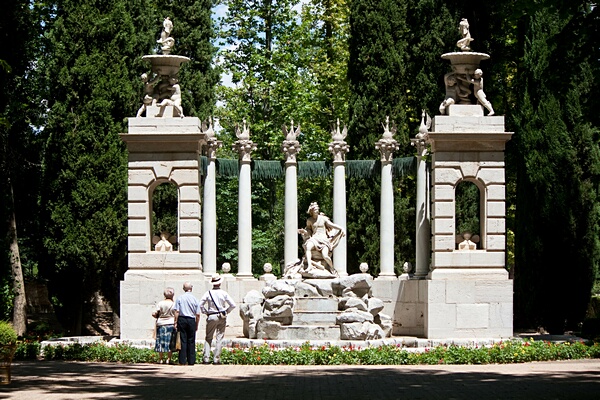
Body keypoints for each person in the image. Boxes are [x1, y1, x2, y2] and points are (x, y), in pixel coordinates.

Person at [298, 202, 345, 275]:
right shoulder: (309, 220)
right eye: (315, 209)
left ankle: (332, 267)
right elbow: (309, 231)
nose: (317, 210)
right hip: (315, 238)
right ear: (312, 211)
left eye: (317, 209)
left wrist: (341, 228)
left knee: (325, 255)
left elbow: (331, 225)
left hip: (323, 240)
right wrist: (304, 231)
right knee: (308, 247)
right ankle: (310, 265)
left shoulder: (323, 218)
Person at [199, 274, 236, 365]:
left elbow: (200, 305)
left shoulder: (208, 293)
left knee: (208, 337)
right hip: (222, 316)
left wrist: (205, 312)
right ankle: (216, 359)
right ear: (220, 283)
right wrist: (226, 311)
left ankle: (206, 358)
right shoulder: (224, 293)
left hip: (212, 315)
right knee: (219, 338)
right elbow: (233, 305)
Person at [173, 282, 201, 365]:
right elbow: (198, 314)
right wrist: (196, 324)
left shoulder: (180, 298)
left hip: (182, 319)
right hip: (191, 319)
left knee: (183, 340)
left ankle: (182, 360)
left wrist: (175, 321)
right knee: (191, 340)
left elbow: (177, 311)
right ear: (191, 288)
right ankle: (191, 360)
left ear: (183, 288)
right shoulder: (195, 299)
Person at [153, 287, 175, 364]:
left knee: (160, 341)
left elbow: (155, 313)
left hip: (161, 323)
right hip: (171, 323)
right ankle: (169, 359)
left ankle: (160, 358)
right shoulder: (174, 304)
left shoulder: (160, 303)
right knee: (170, 342)